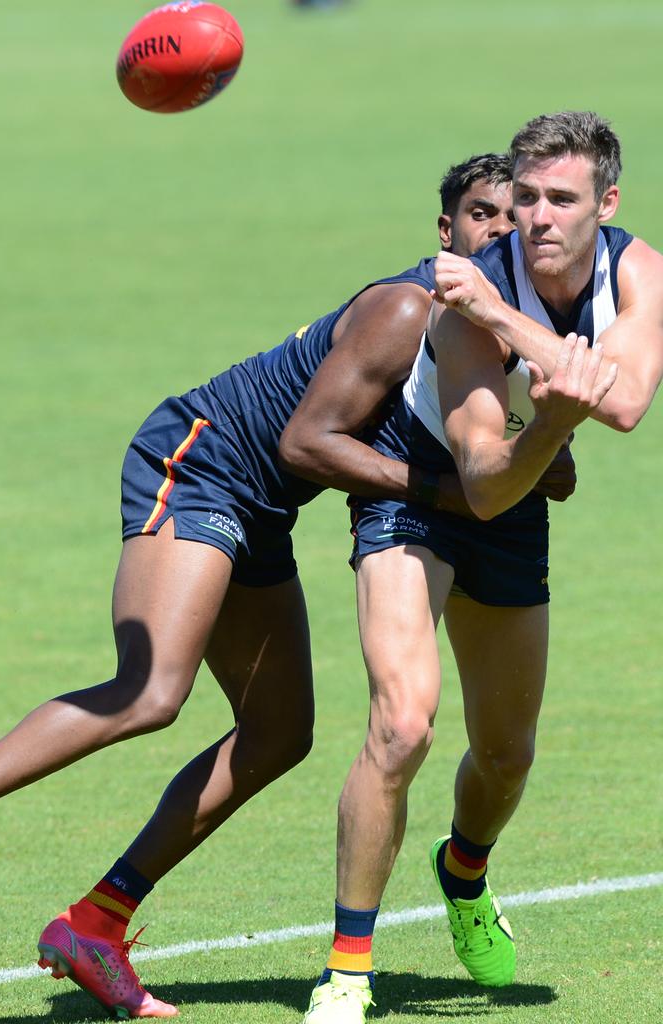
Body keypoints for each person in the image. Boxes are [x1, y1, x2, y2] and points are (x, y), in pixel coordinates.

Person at [0, 154, 547, 1020]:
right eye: (481, 214)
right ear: (446, 232)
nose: (499, 230)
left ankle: (99, 921)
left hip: (260, 510)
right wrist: (449, 493)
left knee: (280, 733)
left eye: (515, 216)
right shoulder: (406, 306)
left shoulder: (505, 329)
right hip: (200, 463)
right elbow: (305, 445)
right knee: (150, 689)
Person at [289, 111, 663, 1023]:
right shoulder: (462, 311)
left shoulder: (636, 270)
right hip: (422, 490)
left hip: (513, 499)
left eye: (561, 199)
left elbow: (626, 404)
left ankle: (463, 873)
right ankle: (347, 972)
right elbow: (484, 487)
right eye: (524, 197)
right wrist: (546, 399)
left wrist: (523, 349)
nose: (534, 217)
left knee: (504, 756)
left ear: (605, 205)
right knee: (403, 726)